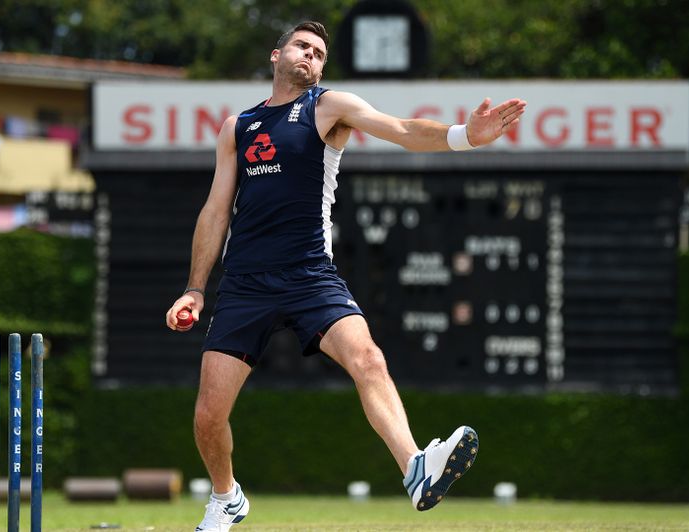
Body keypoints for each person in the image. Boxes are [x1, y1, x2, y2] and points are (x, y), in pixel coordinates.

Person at [165, 20, 526, 532]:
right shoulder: (237, 127)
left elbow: (400, 129)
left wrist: (465, 136)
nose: (311, 57)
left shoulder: (327, 107)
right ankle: (226, 499)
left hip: (311, 274)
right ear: (277, 54)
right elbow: (215, 210)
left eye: (319, 53)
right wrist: (195, 288)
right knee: (208, 416)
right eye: (303, 47)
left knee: (368, 358)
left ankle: (416, 469)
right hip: (245, 282)